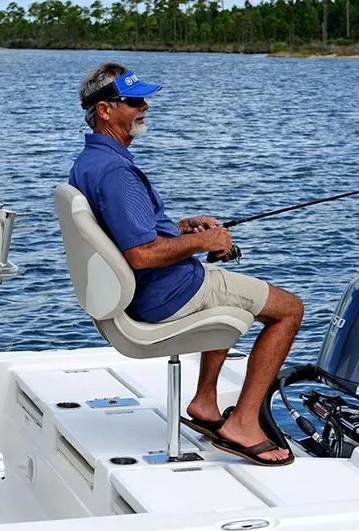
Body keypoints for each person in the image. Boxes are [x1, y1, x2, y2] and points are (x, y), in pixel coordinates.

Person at [68, 62, 303, 466]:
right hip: (166, 293)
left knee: (226, 284)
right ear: (105, 110)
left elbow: (129, 232)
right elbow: (140, 255)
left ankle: (206, 404)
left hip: (156, 286)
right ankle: (243, 423)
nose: (145, 107)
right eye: (134, 100)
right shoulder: (117, 173)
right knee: (288, 310)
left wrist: (184, 228)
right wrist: (205, 241)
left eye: (144, 99)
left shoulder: (89, 163)